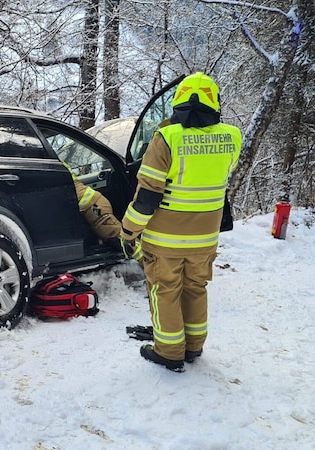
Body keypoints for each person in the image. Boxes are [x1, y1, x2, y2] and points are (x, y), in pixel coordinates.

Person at [119, 72, 242, 372]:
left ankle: (170, 351)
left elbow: (147, 198)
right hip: (206, 239)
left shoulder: (167, 138)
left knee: (165, 291)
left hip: (165, 241)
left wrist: (128, 230)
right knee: (195, 289)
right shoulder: (231, 137)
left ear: (178, 102)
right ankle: (194, 347)